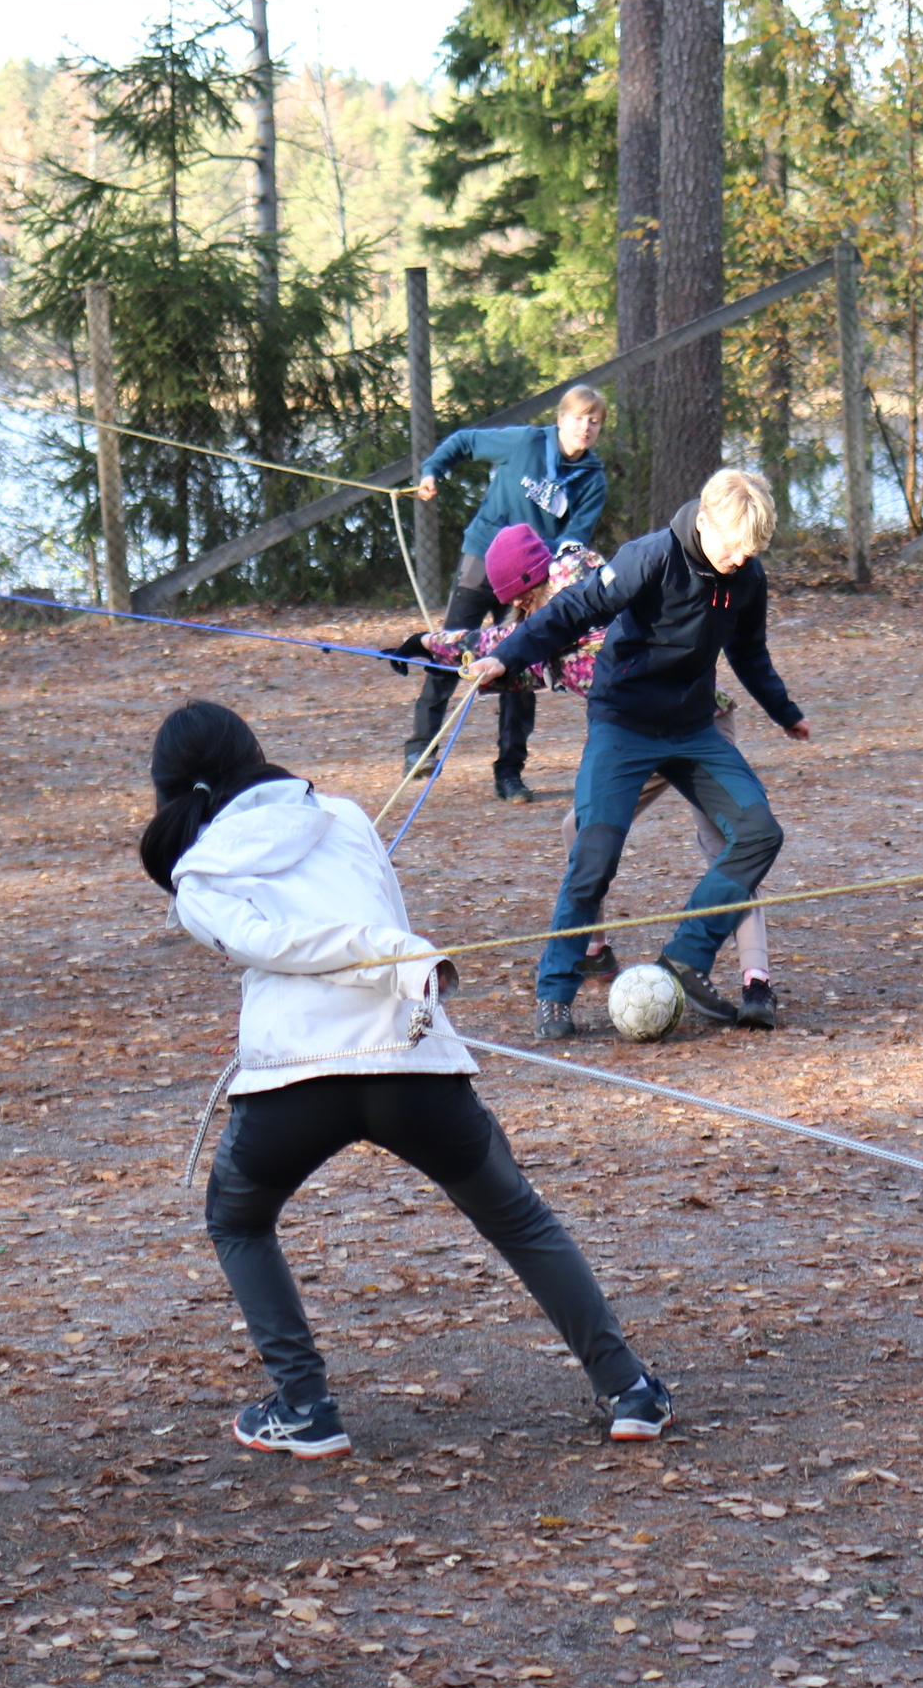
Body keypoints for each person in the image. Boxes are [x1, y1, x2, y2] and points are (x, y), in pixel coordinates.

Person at [141, 698, 673, 1457]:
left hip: (303, 1082)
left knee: (237, 1221)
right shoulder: (332, 821)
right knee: (517, 1218)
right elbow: (292, 940)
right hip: (402, 1064)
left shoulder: (201, 876)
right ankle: (628, 1389)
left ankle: (304, 1406)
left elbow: (317, 936)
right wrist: (395, 956)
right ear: (250, 753)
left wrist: (397, 957)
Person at [465, 468, 808, 1040]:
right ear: (705, 521)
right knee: (594, 853)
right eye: (733, 547)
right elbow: (572, 609)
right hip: (623, 725)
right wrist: (508, 655)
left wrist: (784, 709)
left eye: (750, 551)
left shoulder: (746, 575)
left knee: (759, 832)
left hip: (693, 729)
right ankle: (555, 990)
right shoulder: (650, 557)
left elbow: (749, 651)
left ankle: (686, 957)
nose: (739, 559)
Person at [409, 525, 777, 1027]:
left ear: (535, 582)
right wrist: (432, 648)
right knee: (582, 834)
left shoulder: (587, 595)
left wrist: (431, 644)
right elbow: (512, 650)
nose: (520, 609)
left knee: (732, 845)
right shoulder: (553, 617)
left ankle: (755, 980)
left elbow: (516, 639)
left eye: (522, 598)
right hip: (630, 733)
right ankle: (592, 950)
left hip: (700, 724)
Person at [405, 385, 610, 801]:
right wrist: (432, 471)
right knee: (451, 644)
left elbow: (574, 539)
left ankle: (509, 772)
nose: (585, 427)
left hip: (532, 580)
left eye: (594, 421)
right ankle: (421, 748)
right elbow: (465, 442)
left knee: (520, 662)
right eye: (577, 418)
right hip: (482, 559)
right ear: (560, 419)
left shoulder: (592, 480)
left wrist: (538, 562)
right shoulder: (526, 443)